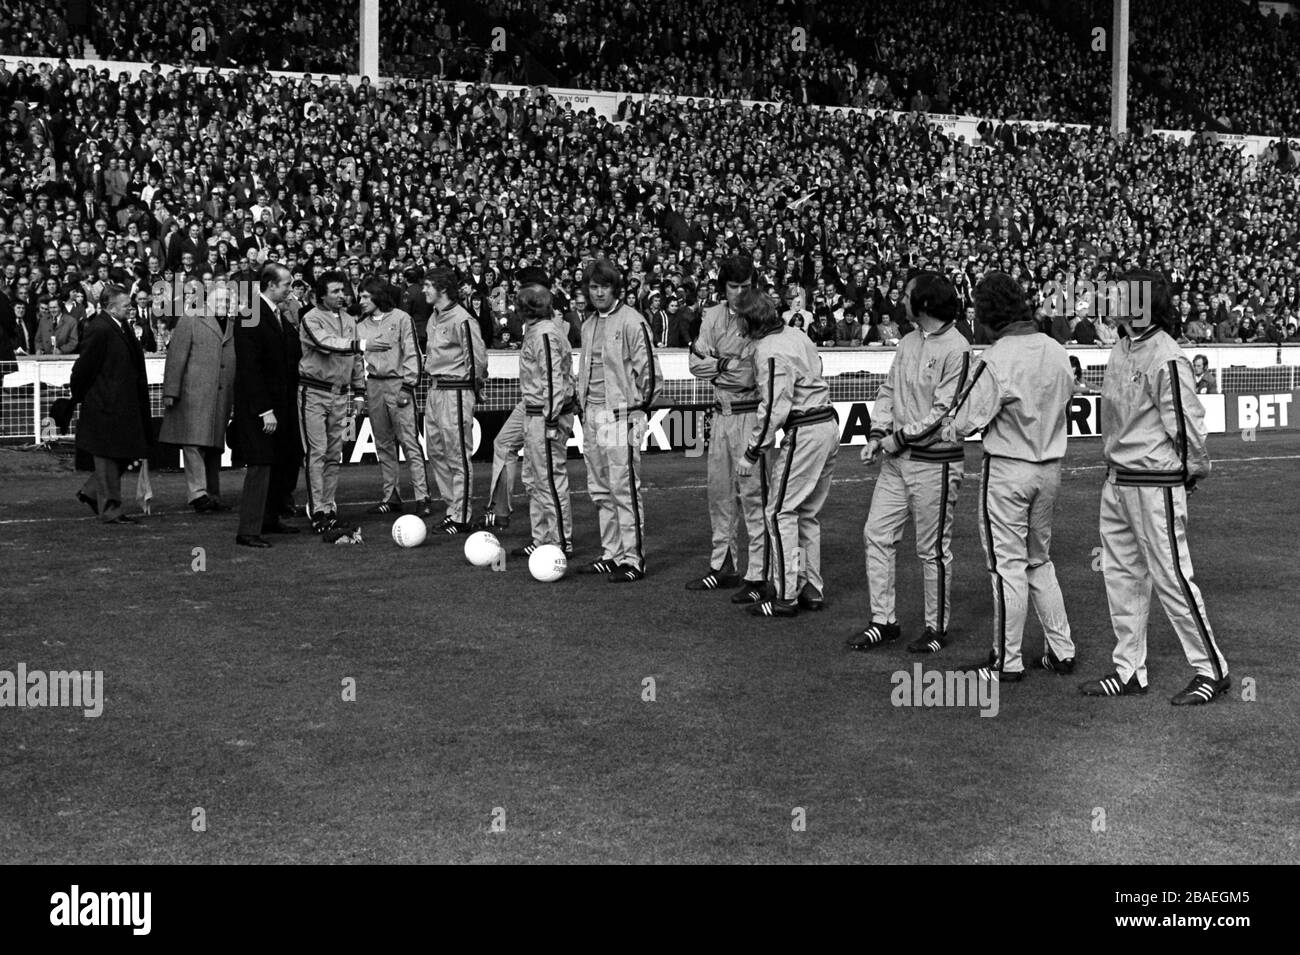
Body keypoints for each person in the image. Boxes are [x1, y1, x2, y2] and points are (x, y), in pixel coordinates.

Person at [1080, 270, 1230, 705]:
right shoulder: (1122, 348)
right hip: (1120, 480)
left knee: (1171, 578)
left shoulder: (1166, 354)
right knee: (1122, 576)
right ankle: (1129, 670)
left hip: (1154, 482)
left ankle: (1212, 669)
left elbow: (1186, 424)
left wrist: (1191, 471)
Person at [930, 271, 1077, 683]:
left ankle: (1006, 660)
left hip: (1009, 469)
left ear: (989, 313)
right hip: (1050, 467)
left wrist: (949, 427)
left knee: (1006, 565)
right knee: (1039, 560)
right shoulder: (1055, 349)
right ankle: (1061, 651)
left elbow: (961, 419)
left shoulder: (996, 358)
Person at [849, 272, 971, 653]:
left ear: (925, 304)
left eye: (906, 296)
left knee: (931, 549)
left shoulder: (958, 349)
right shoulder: (907, 342)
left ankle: (937, 628)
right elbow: (888, 390)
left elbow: (943, 413)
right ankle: (883, 621)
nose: (900, 301)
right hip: (897, 461)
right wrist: (876, 434)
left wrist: (895, 438)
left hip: (935, 463)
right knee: (876, 535)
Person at [734, 288, 838, 618]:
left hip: (805, 429)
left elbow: (775, 406)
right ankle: (810, 586)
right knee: (805, 513)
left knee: (779, 513)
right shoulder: (796, 335)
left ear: (751, 320)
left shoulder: (769, 350)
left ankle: (785, 594)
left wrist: (752, 452)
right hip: (827, 423)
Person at [686, 254, 768, 603]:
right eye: (732, 286)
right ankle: (724, 565)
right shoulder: (712, 316)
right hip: (720, 414)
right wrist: (725, 364)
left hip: (750, 414)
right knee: (719, 493)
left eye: (745, 286)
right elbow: (694, 362)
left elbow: (750, 372)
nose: (738, 292)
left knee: (754, 497)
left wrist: (715, 364)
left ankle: (760, 573)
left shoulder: (762, 317)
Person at [573, 257, 661, 582]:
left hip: (620, 416)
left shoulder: (632, 322)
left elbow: (650, 373)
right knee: (599, 489)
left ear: (615, 288)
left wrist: (635, 409)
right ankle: (611, 553)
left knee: (623, 488)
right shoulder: (587, 324)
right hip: (592, 415)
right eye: (593, 287)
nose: (598, 293)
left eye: (604, 287)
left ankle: (633, 560)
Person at [299, 269, 384, 533]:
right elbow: (327, 344)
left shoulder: (349, 320)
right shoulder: (310, 319)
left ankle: (328, 507)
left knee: (334, 454)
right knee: (317, 452)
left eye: (342, 290)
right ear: (320, 295)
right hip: (313, 392)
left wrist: (359, 392)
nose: (341, 295)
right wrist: (360, 344)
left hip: (340, 395)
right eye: (335, 291)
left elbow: (355, 360)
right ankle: (317, 512)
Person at [231, 263, 303, 548]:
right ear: (271, 285)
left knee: (281, 462)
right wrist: (264, 409)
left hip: (282, 404)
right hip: (261, 408)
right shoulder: (250, 314)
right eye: (286, 284)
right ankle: (248, 530)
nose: (290, 288)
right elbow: (250, 368)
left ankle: (269, 519)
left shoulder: (278, 315)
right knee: (261, 465)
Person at [69, 284, 151, 524]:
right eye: (126, 305)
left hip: (123, 404)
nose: (131, 308)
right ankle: (110, 508)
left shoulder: (120, 326)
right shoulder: (100, 329)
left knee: (125, 454)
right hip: (106, 405)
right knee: (108, 458)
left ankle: (92, 492)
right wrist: (86, 397)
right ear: (110, 307)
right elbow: (83, 369)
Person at [479, 266, 551, 531]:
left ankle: (552, 538)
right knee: (503, 443)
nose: (514, 293)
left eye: (520, 287)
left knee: (541, 474)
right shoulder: (531, 326)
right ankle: (500, 512)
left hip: (543, 407)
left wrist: (551, 414)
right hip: (529, 402)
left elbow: (554, 377)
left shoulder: (546, 330)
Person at [158, 279, 236, 513]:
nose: (225, 303)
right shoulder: (191, 318)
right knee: (193, 445)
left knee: (213, 446)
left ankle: (212, 493)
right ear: (207, 299)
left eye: (227, 299)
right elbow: (175, 357)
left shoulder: (232, 324)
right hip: (193, 395)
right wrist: (171, 391)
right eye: (221, 299)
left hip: (220, 397)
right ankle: (198, 494)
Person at [511, 284, 577, 558]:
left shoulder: (545, 334)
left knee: (549, 479)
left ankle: (560, 542)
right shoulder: (539, 331)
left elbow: (552, 379)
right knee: (535, 479)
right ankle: (541, 540)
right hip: (535, 413)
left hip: (545, 415)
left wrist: (550, 420)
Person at [356, 276, 430, 515]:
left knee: (409, 441)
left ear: (378, 295)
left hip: (398, 384)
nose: (361, 300)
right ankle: (391, 496)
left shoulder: (401, 318)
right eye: (360, 296)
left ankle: (423, 497)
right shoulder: (360, 325)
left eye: (366, 296)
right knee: (383, 443)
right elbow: (358, 362)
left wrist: (408, 386)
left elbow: (412, 353)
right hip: (374, 386)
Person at [423, 266, 488, 535]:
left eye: (428, 285)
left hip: (456, 391)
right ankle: (453, 509)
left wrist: (474, 392)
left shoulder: (463, 319)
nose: (424, 289)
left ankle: (461, 515)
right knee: (436, 452)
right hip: (434, 391)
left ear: (443, 289)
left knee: (458, 455)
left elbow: (477, 359)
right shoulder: (433, 318)